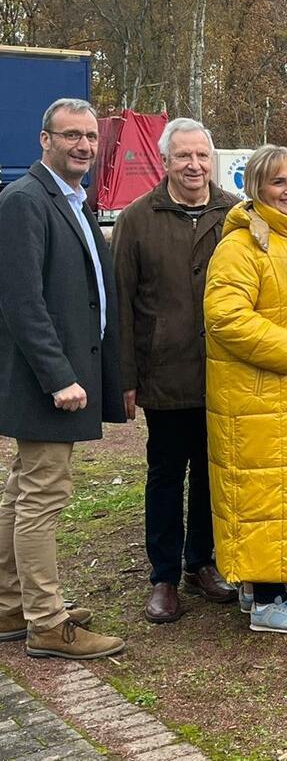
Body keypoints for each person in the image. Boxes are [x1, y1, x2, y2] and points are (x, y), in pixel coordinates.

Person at [0, 98, 126, 658]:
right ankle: (47, 623)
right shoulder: (25, 201)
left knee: (22, 491)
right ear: (44, 140)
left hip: (59, 376)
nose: (83, 145)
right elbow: (21, 301)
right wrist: (58, 377)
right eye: (71, 135)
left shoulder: (71, 199)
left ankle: (11, 604)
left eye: (91, 136)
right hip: (45, 382)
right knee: (42, 496)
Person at [204, 145, 287, 634]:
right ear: (256, 187)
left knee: (285, 496)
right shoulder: (241, 247)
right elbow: (225, 317)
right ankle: (266, 602)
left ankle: (263, 589)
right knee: (265, 496)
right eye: (278, 181)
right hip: (260, 398)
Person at [112, 117, 237, 623]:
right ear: (165, 161)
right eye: (183, 155)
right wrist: (125, 377)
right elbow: (120, 302)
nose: (194, 165)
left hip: (223, 372)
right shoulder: (138, 218)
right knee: (166, 474)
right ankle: (163, 576)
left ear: (212, 160)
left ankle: (201, 563)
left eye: (202, 155)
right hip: (164, 371)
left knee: (212, 472)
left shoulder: (235, 213)